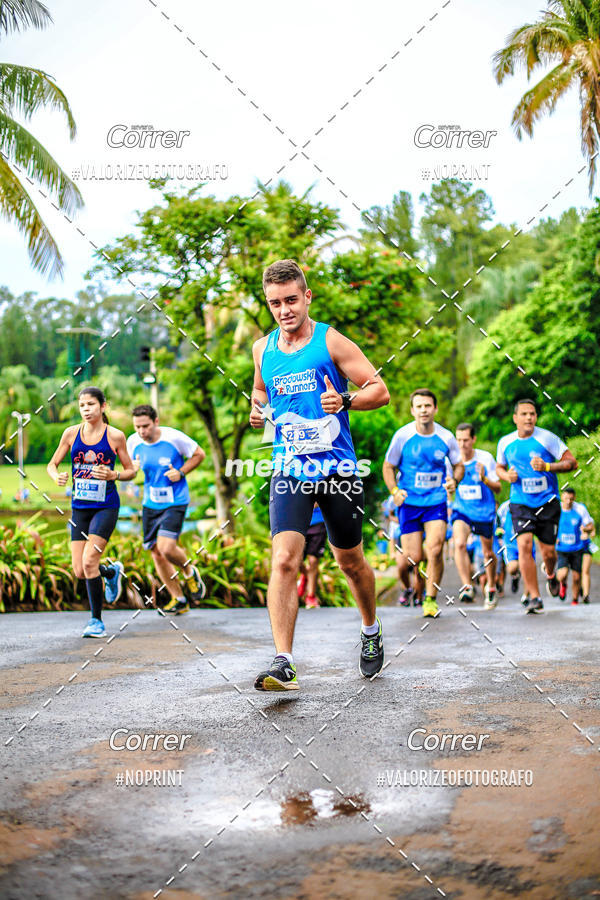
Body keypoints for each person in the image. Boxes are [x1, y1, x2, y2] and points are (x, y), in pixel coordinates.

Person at [250, 258, 390, 691]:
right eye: (275, 303)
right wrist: (256, 411)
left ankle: (370, 629)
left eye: (291, 300)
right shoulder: (262, 349)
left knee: (350, 562)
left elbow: (380, 391)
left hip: (338, 469)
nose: (284, 310)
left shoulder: (330, 341)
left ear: (307, 296)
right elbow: (259, 389)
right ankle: (284, 663)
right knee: (284, 559)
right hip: (289, 468)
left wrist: (345, 401)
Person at [47, 386, 135, 637]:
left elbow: (131, 470)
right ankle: (111, 572)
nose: (86, 410)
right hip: (80, 507)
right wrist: (57, 476)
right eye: (82, 405)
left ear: (102, 406)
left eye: (91, 405)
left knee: (89, 561)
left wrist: (113, 474)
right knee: (79, 569)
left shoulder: (115, 436)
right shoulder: (71, 433)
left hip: (106, 506)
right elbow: (52, 464)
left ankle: (96, 621)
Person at [382, 389, 464, 618]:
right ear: (412, 410)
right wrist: (394, 491)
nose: (423, 410)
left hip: (435, 501)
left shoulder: (446, 437)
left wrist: (454, 480)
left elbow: (459, 465)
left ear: (435, 409)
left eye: (427, 406)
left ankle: (429, 599)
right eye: (419, 406)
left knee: (435, 548)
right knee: (413, 557)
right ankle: (413, 588)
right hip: (409, 502)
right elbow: (388, 466)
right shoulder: (402, 436)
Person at [496, 399, 577, 614]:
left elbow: (572, 463)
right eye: (524, 414)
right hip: (520, 503)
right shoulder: (505, 442)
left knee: (549, 553)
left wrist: (548, 466)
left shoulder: (547, 438)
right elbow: (499, 467)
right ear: (515, 418)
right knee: (523, 545)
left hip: (548, 502)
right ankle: (534, 596)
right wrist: (507, 476)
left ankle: (550, 575)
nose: (529, 418)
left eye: (532, 414)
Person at [127, 405, 206, 614]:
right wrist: (132, 471)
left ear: (156, 422)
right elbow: (131, 470)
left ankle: (189, 571)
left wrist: (181, 472)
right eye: (137, 427)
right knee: (156, 553)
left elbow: (199, 454)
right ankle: (178, 598)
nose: (142, 431)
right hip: (150, 503)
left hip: (175, 501)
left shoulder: (174, 438)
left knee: (167, 548)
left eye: (146, 426)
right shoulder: (132, 442)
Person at [451, 423, 501, 609]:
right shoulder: (453, 460)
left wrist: (485, 478)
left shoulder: (485, 458)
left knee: (487, 552)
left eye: (465, 440)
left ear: (473, 439)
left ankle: (492, 586)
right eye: (459, 440)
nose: (462, 444)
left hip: (483, 512)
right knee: (460, 543)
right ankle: (467, 585)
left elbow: (498, 488)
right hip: (462, 510)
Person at [556, 487, 594, 605]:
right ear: (562, 497)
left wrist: (585, 529)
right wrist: (553, 536)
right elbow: (548, 525)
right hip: (562, 548)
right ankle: (563, 584)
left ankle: (574, 599)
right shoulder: (556, 509)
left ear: (574, 498)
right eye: (566, 498)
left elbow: (590, 526)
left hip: (577, 547)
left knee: (577, 577)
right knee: (562, 574)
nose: (568, 501)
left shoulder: (580, 509)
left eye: (571, 499)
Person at [297, 503, 327, 609]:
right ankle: (306, 575)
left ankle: (311, 597)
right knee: (296, 560)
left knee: (313, 560)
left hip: (318, 520)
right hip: (298, 519)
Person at [580, 506, 597, 604]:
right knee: (577, 572)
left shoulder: (589, 520)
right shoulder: (572, 516)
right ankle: (579, 590)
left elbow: (593, 533)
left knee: (585, 571)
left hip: (586, 546)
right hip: (575, 548)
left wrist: (586, 530)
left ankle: (586, 595)